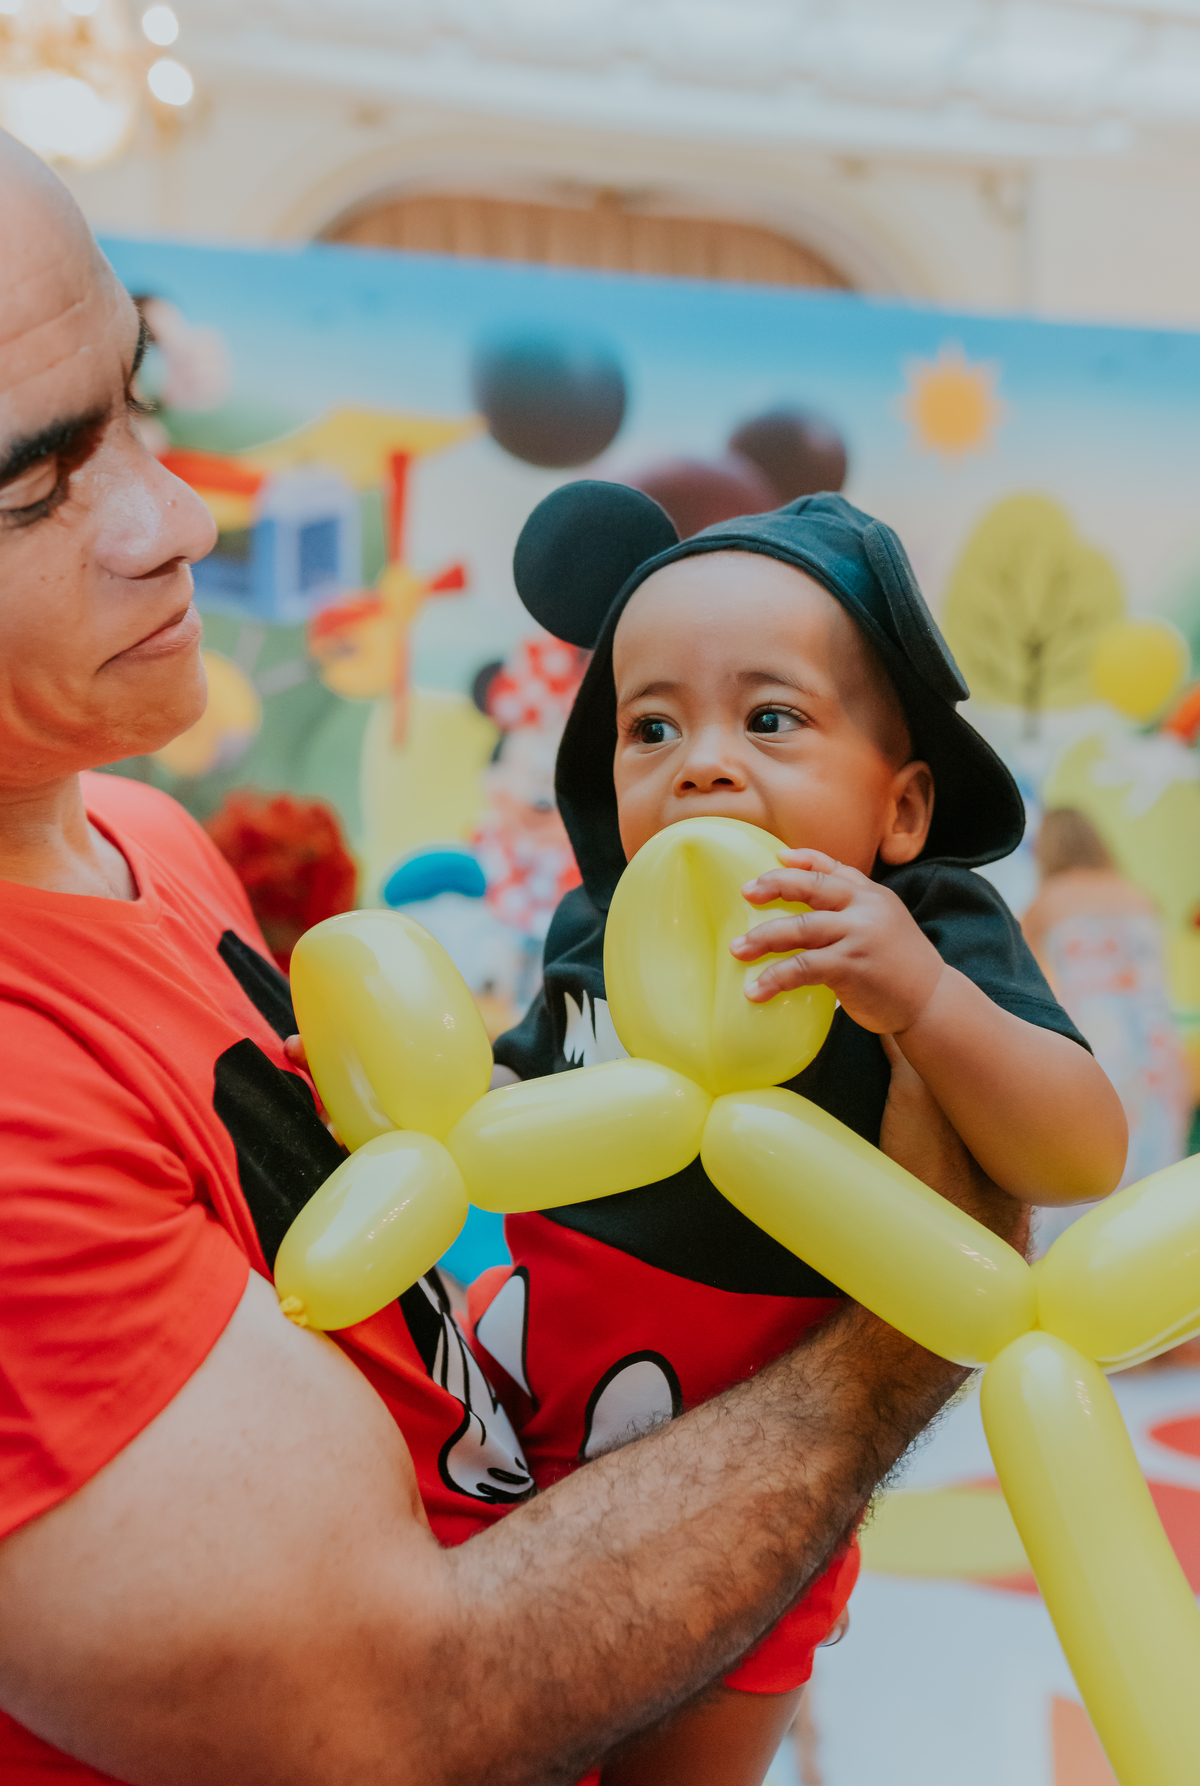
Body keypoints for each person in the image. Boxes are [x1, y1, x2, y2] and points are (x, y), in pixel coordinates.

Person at [0, 129, 1032, 1786]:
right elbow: (389, 1710)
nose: (176, 516)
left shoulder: (136, 832)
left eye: (138, 402)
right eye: (33, 488)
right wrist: (903, 1334)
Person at [477, 481, 1128, 1786]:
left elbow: (1081, 1150)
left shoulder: (921, 927)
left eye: (769, 718)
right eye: (651, 726)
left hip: (760, 1480)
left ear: (901, 811)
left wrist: (926, 1000)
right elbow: (515, 1095)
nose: (703, 763)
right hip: (526, 1418)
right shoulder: (599, 929)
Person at [1022, 806, 1191, 1250]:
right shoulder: (1138, 895)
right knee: (1154, 1185)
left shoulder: (1047, 902)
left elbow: (1028, 990)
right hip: (1157, 1049)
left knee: (1088, 1186)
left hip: (1095, 1047)